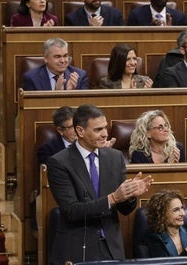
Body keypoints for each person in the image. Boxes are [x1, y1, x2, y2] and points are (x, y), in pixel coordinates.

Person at [46, 104, 153, 263]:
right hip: (77, 248)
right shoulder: (59, 162)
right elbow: (72, 211)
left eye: (105, 128)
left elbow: (124, 210)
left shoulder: (114, 157)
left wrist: (130, 195)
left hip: (111, 248)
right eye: (98, 130)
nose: (105, 134)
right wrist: (113, 198)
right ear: (80, 131)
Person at [22, 37, 89, 91]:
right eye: (57, 57)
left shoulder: (80, 77)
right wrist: (57, 94)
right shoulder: (32, 78)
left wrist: (70, 94)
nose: (63, 61)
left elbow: (84, 106)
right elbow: (33, 106)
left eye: (65, 56)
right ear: (46, 58)